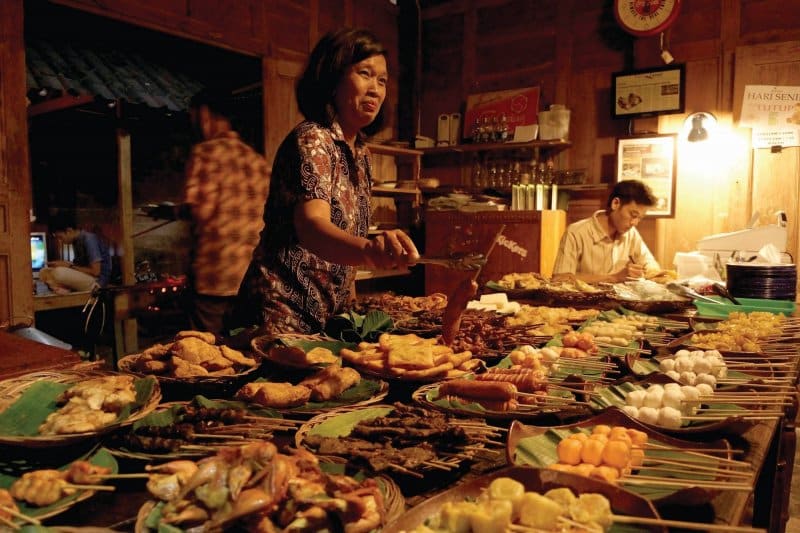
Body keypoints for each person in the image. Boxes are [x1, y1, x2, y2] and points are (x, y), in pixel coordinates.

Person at [228, 27, 419, 335]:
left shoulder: (360, 152)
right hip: (280, 311)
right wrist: (370, 250)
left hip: (324, 312)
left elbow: (346, 241)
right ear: (333, 78)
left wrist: (351, 307)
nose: (375, 89)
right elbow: (312, 227)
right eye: (364, 73)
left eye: (382, 80)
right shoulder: (314, 138)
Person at [149, 86, 271, 335]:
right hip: (253, 278)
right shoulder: (258, 161)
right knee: (245, 351)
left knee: (207, 357)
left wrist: (172, 213)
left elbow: (200, 211)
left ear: (204, 115)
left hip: (215, 277)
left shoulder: (206, 152)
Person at [552, 179, 660, 283]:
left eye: (639, 218)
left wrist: (651, 271)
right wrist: (613, 278)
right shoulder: (576, 232)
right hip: (585, 301)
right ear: (615, 204)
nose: (635, 223)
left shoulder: (631, 233)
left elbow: (649, 263)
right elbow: (560, 279)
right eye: (633, 215)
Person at [41, 213, 112, 292]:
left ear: (69, 231)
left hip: (98, 282)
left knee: (58, 272)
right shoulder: (76, 241)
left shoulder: (89, 239)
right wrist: (64, 264)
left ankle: (65, 289)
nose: (60, 241)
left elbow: (96, 272)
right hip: (87, 277)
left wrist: (69, 266)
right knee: (44, 272)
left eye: (60, 237)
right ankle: (65, 289)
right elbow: (80, 266)